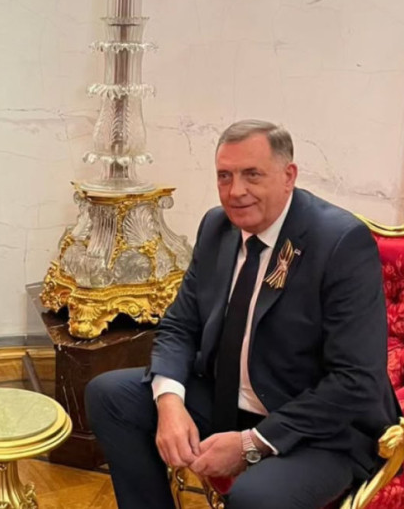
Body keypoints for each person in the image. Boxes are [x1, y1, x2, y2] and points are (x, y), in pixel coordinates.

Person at [85, 120, 401, 509]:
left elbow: (355, 381)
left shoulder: (339, 242)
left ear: (289, 176)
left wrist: (252, 443)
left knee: (255, 497)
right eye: (225, 176)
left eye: (252, 175)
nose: (236, 191)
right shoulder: (216, 227)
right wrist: (170, 403)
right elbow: (180, 325)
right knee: (110, 395)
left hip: (321, 428)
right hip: (228, 398)